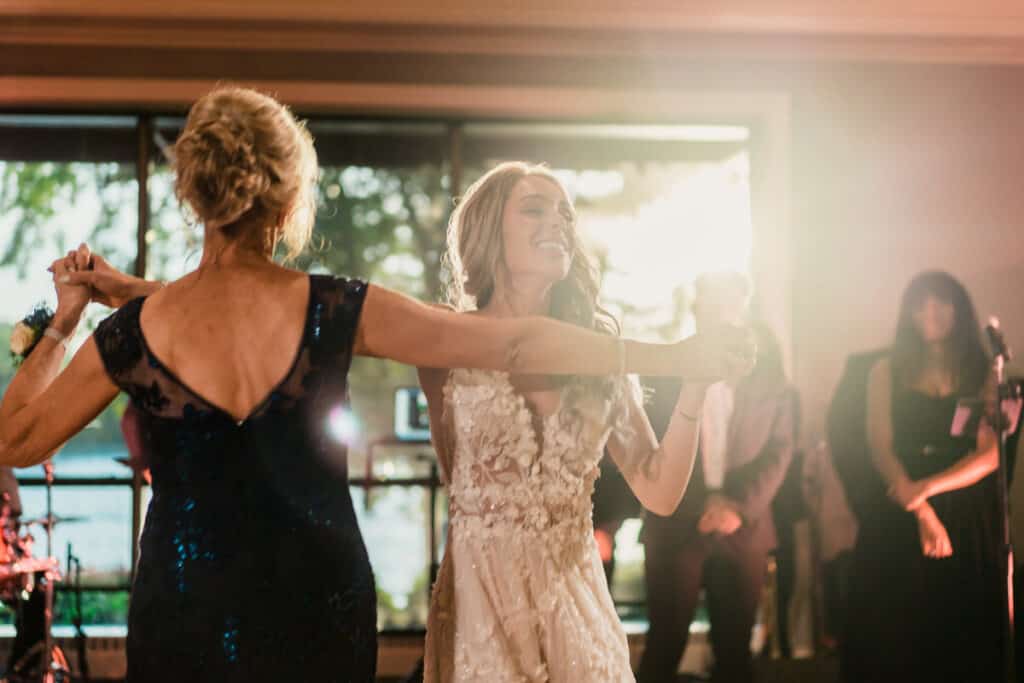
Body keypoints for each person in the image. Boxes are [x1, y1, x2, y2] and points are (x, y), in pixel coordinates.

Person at [0, 88, 753, 683]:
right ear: (290, 194)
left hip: (184, 611)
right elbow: (512, 340)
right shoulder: (335, 306)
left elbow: (15, 438)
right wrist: (678, 351)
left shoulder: (137, 331)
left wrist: (67, 322)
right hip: (320, 607)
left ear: (192, 189)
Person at [417, 162, 754, 682]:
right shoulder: (444, 344)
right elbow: (457, 478)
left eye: (565, 215)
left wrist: (696, 383)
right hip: (482, 603)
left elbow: (661, 492)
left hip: (577, 606)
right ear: (487, 228)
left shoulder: (602, 357)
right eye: (534, 209)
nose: (557, 223)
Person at [637, 273, 797, 683]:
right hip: (674, 522)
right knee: (664, 646)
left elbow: (779, 451)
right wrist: (696, 507)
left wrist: (737, 506)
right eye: (711, 305)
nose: (721, 312)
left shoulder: (770, 378)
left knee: (736, 652)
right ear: (697, 311)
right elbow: (644, 444)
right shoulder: (664, 373)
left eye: (730, 304)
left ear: (742, 310)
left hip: (744, 527)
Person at [843, 270, 1002, 683]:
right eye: (920, 304)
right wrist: (920, 509)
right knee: (896, 631)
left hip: (964, 508)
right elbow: (880, 445)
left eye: (940, 302)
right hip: (898, 505)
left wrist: (927, 490)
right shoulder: (884, 370)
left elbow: (989, 456)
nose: (929, 312)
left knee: (962, 633)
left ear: (959, 309)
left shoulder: (985, 370)